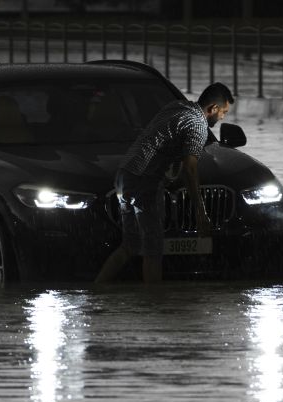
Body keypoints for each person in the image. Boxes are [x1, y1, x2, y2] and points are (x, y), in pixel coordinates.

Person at [95, 82, 234, 284]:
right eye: (223, 112)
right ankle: (154, 307)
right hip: (145, 181)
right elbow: (190, 168)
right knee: (153, 250)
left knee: (131, 245)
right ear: (213, 109)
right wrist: (200, 211)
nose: (222, 118)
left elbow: (163, 142)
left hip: (124, 175)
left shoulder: (177, 107)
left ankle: (96, 291)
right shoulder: (197, 124)